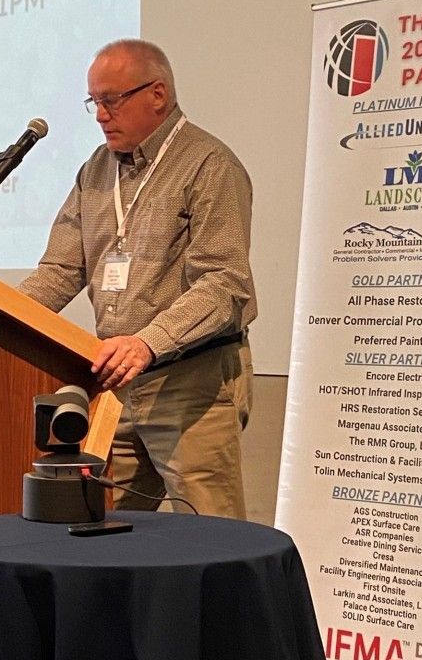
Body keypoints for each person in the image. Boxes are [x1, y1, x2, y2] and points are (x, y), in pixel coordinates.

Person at [19, 39, 257, 518]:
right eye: (95, 102)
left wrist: (148, 343)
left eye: (112, 100)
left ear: (158, 94)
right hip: (116, 385)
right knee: (107, 528)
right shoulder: (95, 171)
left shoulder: (209, 165)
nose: (101, 115)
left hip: (192, 381)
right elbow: (61, 270)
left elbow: (225, 283)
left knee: (209, 538)